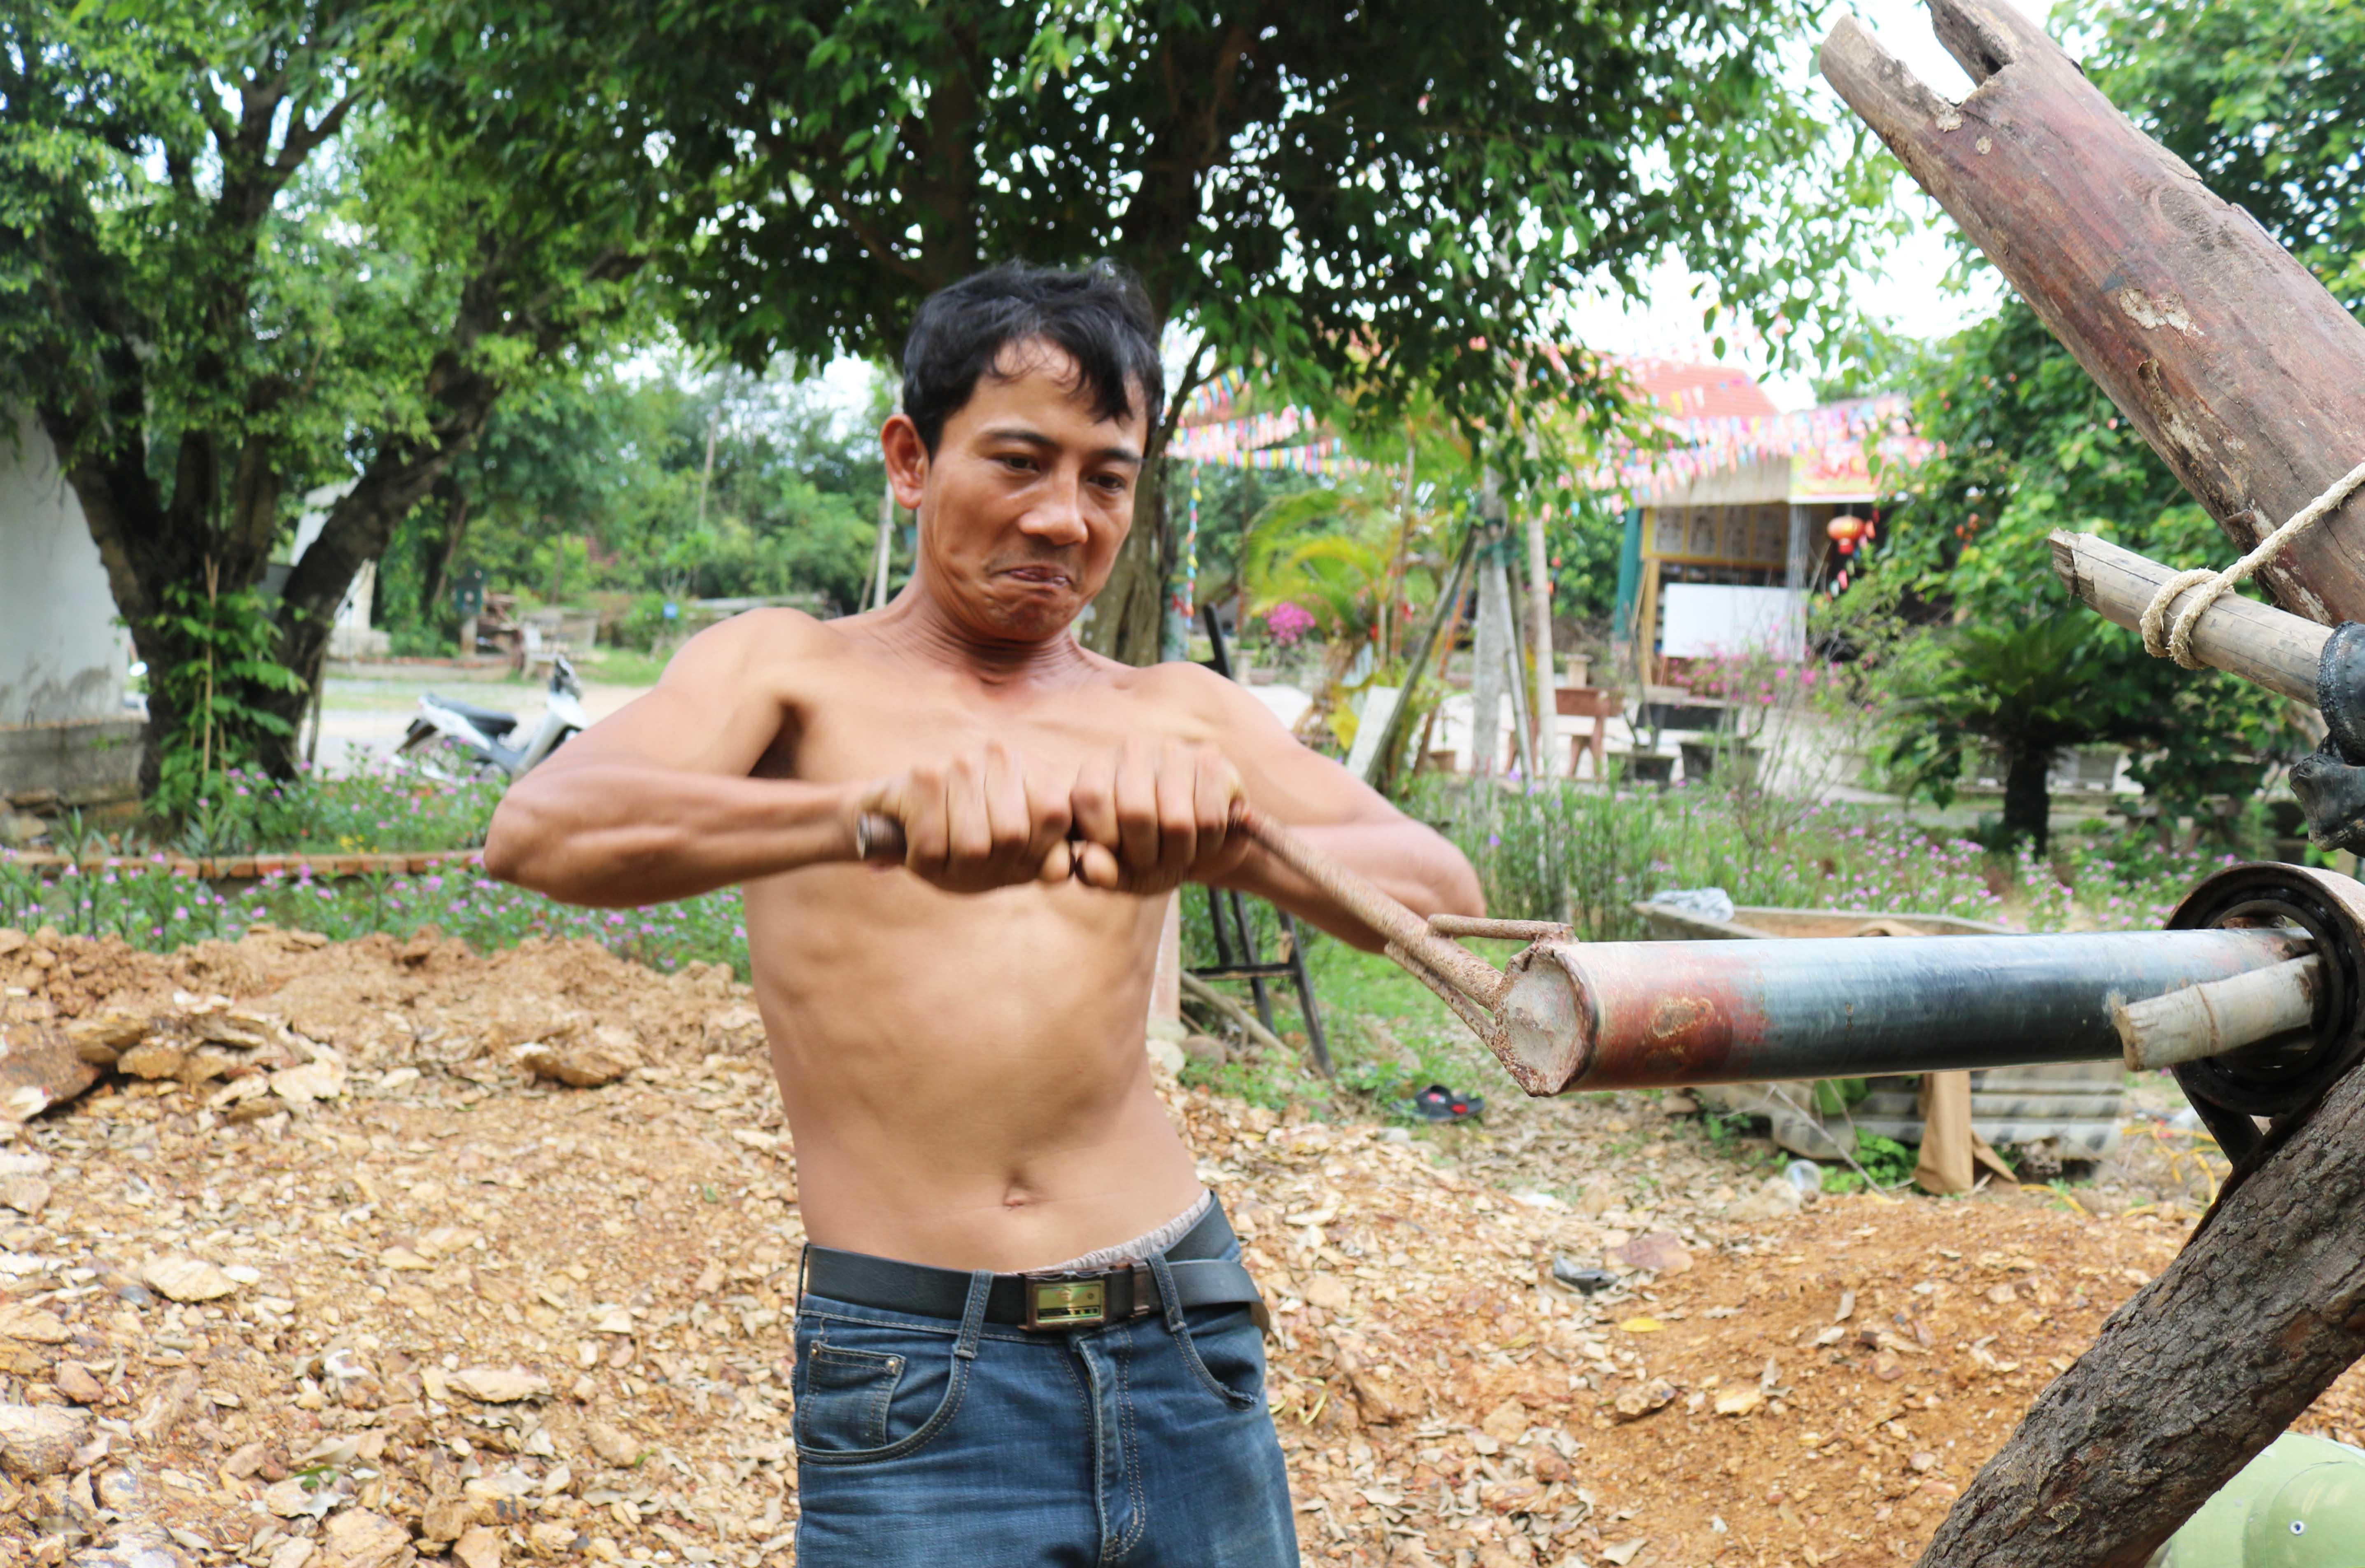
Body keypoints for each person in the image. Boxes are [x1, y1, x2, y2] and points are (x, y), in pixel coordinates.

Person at [484, 260, 1486, 1564]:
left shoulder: (1171, 712)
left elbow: (1445, 905)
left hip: (1183, 1334)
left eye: (1106, 478)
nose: (1064, 518)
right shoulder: (788, 671)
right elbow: (541, 830)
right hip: (918, 1367)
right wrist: (867, 818)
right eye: (1018, 462)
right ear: (911, 459)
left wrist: (1244, 846)